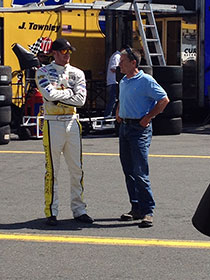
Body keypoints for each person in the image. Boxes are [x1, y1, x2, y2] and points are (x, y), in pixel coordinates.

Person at [35, 38, 94, 226]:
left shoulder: (77, 73)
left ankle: (79, 210)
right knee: (52, 170)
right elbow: (49, 95)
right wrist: (70, 93)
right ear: (54, 53)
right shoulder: (43, 72)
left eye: (69, 52)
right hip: (52, 123)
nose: (67, 55)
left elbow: (81, 100)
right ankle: (51, 211)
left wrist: (61, 97)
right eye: (63, 52)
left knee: (77, 169)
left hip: (72, 122)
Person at [116, 47, 169, 228]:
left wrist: (147, 117)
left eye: (122, 61)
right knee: (128, 171)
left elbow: (164, 100)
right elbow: (122, 99)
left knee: (140, 172)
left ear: (133, 63)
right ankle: (136, 207)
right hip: (125, 128)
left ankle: (148, 211)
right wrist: (119, 111)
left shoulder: (146, 80)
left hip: (139, 129)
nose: (119, 64)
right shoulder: (124, 80)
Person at [104, 50, 121, 117]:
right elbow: (113, 68)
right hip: (113, 81)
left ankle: (113, 115)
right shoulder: (117, 56)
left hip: (115, 82)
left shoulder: (118, 56)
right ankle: (107, 115)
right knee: (112, 100)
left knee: (116, 100)